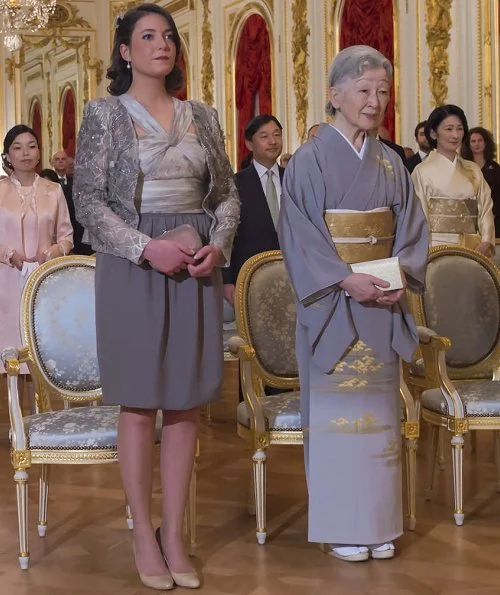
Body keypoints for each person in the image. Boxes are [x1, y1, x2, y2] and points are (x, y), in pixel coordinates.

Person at [72, 3, 239, 590]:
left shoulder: (204, 116)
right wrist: (147, 247)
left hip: (195, 267)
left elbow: (226, 196)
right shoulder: (103, 115)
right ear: (125, 51)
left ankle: (175, 532)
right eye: (147, 36)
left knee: (187, 400)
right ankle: (143, 531)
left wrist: (217, 244)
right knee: (141, 403)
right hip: (133, 266)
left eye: (167, 35)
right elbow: (88, 201)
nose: (161, 44)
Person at [278, 45, 428, 563]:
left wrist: (401, 273)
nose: (374, 101)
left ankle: (379, 521)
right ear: (335, 94)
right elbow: (299, 234)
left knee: (380, 419)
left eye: (383, 91)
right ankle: (343, 523)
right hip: (335, 303)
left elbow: (411, 229)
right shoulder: (308, 160)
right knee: (340, 420)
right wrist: (344, 279)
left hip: (381, 299)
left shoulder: (391, 163)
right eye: (363, 90)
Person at [0, 125, 73, 375]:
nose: (25, 153)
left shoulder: (53, 191)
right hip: (5, 280)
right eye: (17, 148)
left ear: (39, 153)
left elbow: (66, 236)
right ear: (8, 156)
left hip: (42, 279)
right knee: (7, 351)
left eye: (31, 146)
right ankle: (11, 413)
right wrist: (9, 255)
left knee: (38, 354)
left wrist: (52, 252)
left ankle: (37, 412)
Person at [412, 105, 495, 255]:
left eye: (460, 129)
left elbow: (486, 208)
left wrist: (486, 241)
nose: (455, 135)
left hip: (473, 248)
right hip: (436, 249)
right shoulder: (421, 171)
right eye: (449, 129)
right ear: (433, 133)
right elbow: (419, 219)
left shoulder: (473, 170)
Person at [222, 114, 284, 306]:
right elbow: (226, 234)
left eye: (277, 134)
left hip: (293, 271)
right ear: (249, 144)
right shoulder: (234, 183)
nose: (273, 141)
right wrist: (226, 280)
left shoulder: (295, 178)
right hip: (249, 274)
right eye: (264, 136)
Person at [461, 126, 500, 237]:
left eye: (480, 140)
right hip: (469, 218)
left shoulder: (495, 167)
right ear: (468, 144)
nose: (477, 144)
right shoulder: (463, 167)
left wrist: (494, 213)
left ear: (486, 143)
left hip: (492, 217)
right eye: (473, 141)